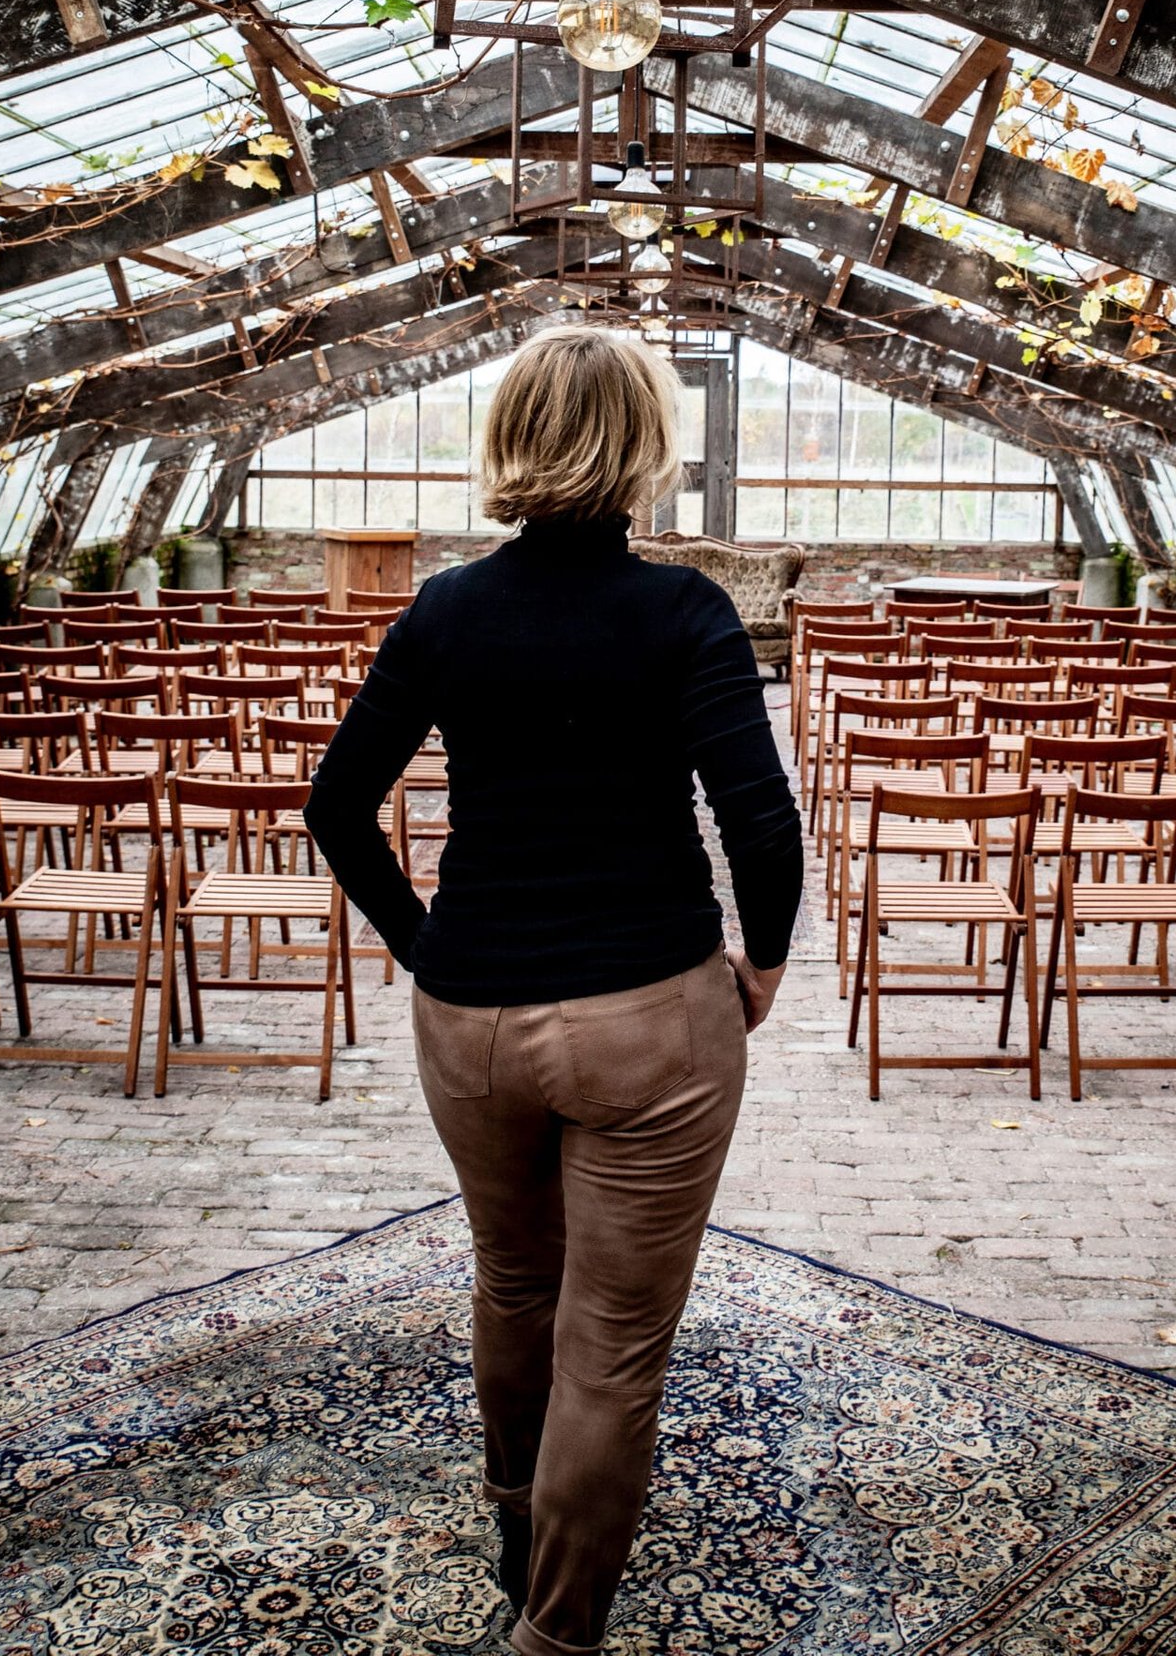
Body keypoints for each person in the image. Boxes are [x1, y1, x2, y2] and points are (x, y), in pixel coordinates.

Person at [304, 324, 803, 1656]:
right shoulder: (685, 610)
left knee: (515, 1285)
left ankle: (521, 1533)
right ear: (643, 445)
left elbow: (339, 804)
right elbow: (761, 820)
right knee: (614, 1341)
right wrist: (762, 961)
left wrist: (427, 948)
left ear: (511, 438)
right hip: (647, 1014)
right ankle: (558, 1637)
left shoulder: (447, 609)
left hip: (469, 1017)